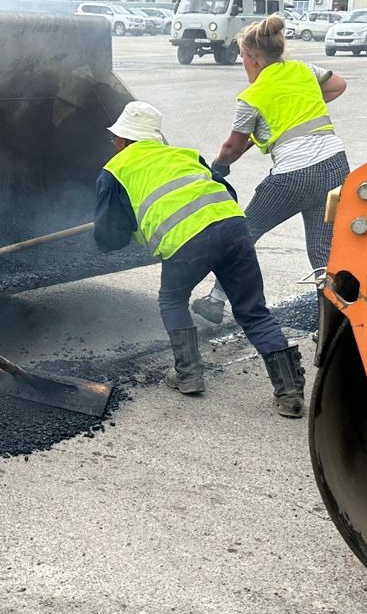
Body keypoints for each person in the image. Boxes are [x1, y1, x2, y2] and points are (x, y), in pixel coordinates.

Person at [94, 101, 305, 417]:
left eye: (116, 138)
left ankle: (188, 375)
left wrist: (116, 231)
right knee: (253, 310)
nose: (113, 143)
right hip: (234, 227)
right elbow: (226, 192)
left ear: (124, 140)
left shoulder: (115, 170)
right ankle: (290, 393)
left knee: (172, 300)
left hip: (188, 240)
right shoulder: (185, 155)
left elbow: (110, 236)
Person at [190, 13, 348, 327]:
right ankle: (336, 322)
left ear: (254, 58)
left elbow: (233, 148)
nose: (241, 63)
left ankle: (215, 300)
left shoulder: (253, 95)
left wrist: (218, 168)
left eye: (242, 57)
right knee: (322, 247)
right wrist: (303, 106)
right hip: (336, 171)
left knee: (244, 233)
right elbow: (339, 85)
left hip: (294, 178)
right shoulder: (303, 70)